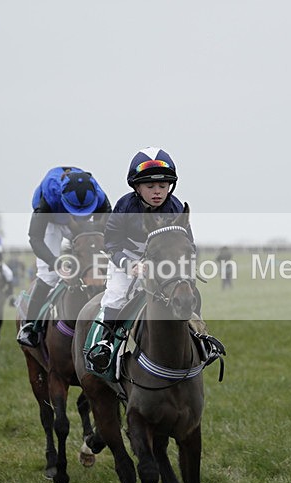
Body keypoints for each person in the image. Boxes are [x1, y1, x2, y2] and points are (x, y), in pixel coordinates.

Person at [85, 147, 194, 372]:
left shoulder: (176, 207)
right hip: (128, 259)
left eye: (163, 186)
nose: (157, 192)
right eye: (150, 186)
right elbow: (111, 242)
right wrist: (128, 264)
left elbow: (187, 243)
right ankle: (105, 344)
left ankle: (200, 337)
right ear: (137, 187)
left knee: (188, 293)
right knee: (115, 296)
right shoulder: (124, 206)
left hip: (163, 262)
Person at [16, 167, 112, 348]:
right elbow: (35, 238)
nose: (80, 215)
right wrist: (54, 262)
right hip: (53, 222)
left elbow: (109, 231)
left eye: (84, 210)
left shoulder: (100, 197)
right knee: (49, 275)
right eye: (76, 210)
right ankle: (30, 326)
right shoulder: (48, 198)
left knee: (99, 267)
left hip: (83, 226)